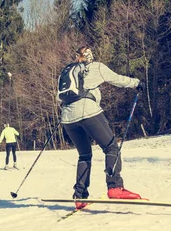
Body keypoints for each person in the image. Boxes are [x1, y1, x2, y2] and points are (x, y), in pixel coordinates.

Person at [58, 46, 145, 209]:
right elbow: (117, 79)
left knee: (84, 155)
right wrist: (137, 83)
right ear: (90, 56)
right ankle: (115, 187)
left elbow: (60, 96)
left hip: (67, 118)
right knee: (111, 147)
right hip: (88, 113)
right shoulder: (96, 67)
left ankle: (80, 196)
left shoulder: (67, 72)